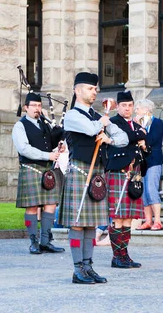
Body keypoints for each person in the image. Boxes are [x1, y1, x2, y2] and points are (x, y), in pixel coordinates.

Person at [58, 72, 128, 285]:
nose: (95, 91)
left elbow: (123, 138)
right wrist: (104, 122)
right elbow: (89, 130)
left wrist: (108, 138)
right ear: (77, 91)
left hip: (96, 176)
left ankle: (88, 267)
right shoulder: (72, 116)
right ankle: (77, 269)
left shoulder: (99, 116)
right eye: (90, 88)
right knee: (78, 223)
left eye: (95, 88)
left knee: (90, 225)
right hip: (80, 172)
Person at [12, 92, 65, 255]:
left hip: (48, 170)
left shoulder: (45, 124)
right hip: (31, 169)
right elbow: (24, 149)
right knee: (32, 207)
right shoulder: (20, 126)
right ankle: (33, 241)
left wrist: (58, 146)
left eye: (39, 106)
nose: (37, 108)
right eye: (34, 106)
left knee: (50, 204)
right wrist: (47, 155)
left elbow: (50, 143)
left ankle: (46, 241)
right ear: (26, 108)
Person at [105, 90, 147, 268]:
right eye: (124, 105)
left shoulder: (135, 125)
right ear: (118, 107)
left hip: (134, 173)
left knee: (129, 218)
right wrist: (139, 135)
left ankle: (125, 255)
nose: (127, 109)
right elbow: (125, 139)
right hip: (118, 171)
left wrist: (144, 142)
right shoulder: (113, 122)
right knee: (118, 217)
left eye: (130, 105)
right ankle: (116, 257)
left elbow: (147, 142)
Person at [134, 99, 163, 231]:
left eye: (138, 109)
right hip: (142, 161)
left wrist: (141, 131)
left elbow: (153, 139)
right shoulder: (137, 124)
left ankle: (157, 220)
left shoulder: (157, 122)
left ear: (146, 109)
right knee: (144, 191)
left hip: (154, 159)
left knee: (152, 189)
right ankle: (148, 220)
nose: (136, 111)